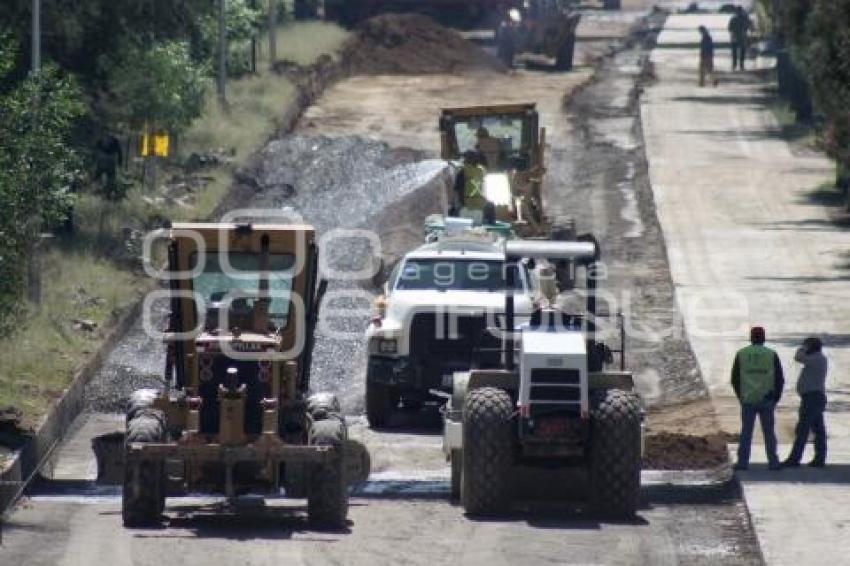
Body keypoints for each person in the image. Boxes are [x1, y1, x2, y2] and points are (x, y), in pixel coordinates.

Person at [731, 326, 784, 471]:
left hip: (748, 399)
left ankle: (742, 463)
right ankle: (773, 462)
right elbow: (779, 378)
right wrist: (776, 397)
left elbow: (734, 378)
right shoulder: (771, 354)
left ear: (751, 338)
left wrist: (741, 396)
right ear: (763, 338)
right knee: (769, 433)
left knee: (746, 433)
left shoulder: (741, 354)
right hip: (767, 399)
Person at [783, 337, 828, 468]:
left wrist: (802, 348)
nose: (805, 347)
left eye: (807, 345)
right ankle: (819, 459)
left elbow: (798, 357)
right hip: (812, 398)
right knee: (818, 430)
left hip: (813, 398)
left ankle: (794, 459)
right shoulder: (817, 358)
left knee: (803, 429)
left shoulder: (818, 358)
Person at [728, 7, 752, 71]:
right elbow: (750, 26)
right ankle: (738, 66)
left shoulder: (735, 19)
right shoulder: (742, 18)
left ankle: (737, 66)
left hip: (739, 37)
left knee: (737, 52)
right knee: (739, 52)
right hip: (739, 37)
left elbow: (730, 28)